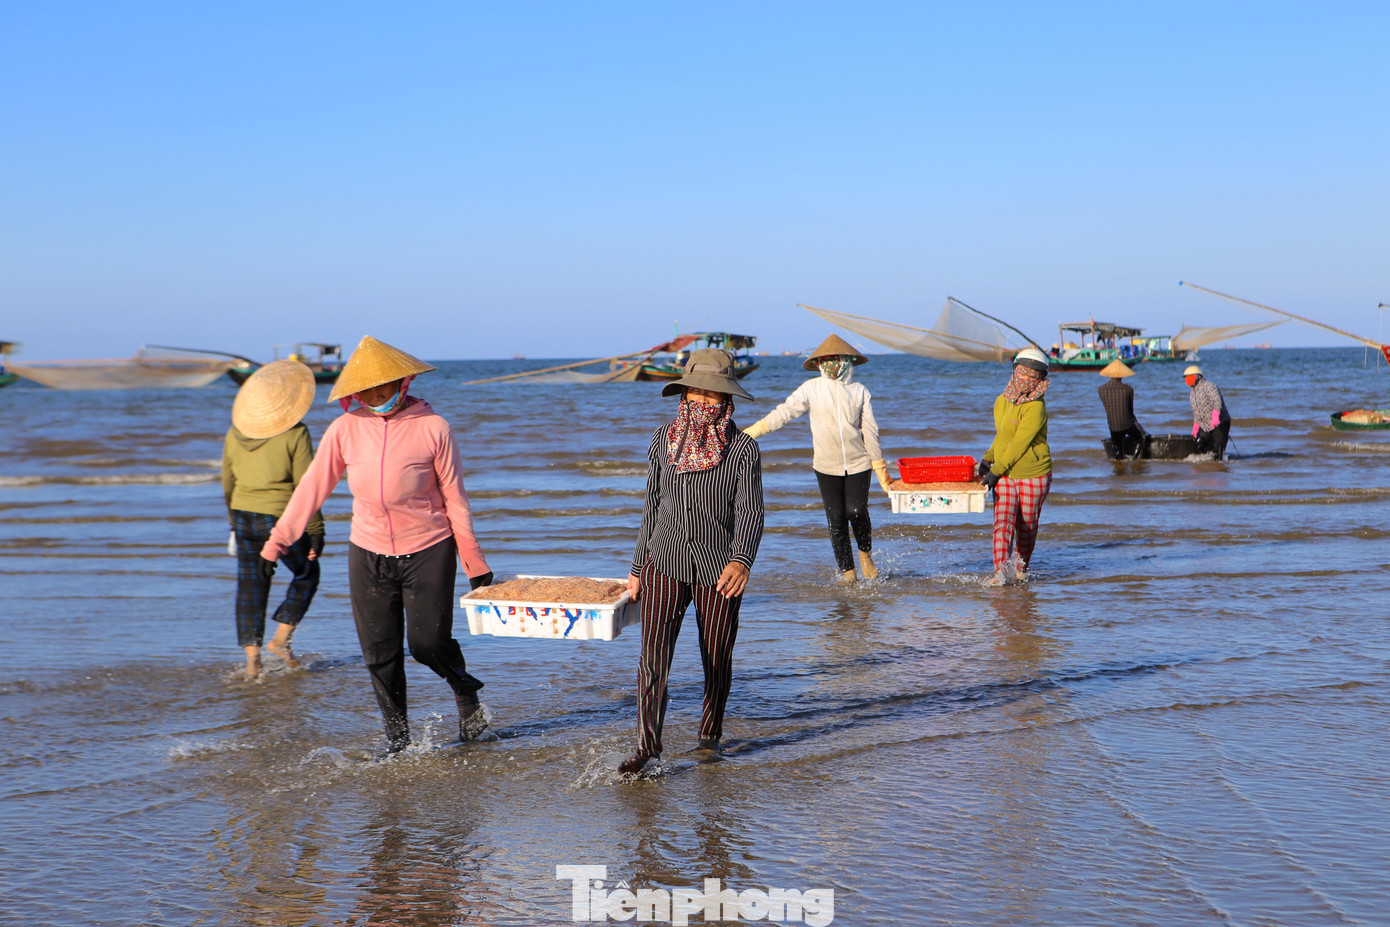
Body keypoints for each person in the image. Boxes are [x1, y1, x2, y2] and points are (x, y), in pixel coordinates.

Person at [260, 336, 495, 753]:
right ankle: (398, 741)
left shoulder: (434, 428)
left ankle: (465, 689)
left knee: (427, 645)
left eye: (381, 388)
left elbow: (456, 499)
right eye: (364, 390)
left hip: (428, 547)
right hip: (367, 551)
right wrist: (276, 543)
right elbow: (312, 488)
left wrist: (474, 563)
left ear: (402, 383)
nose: (373, 396)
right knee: (379, 653)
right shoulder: (344, 429)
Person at [621, 347, 764, 775]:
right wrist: (635, 568)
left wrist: (741, 560)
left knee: (716, 655)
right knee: (653, 657)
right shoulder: (661, 441)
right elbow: (652, 506)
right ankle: (648, 747)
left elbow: (751, 511)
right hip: (663, 561)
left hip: (719, 569)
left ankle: (709, 735)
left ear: (727, 400)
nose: (703, 402)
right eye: (696, 393)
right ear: (684, 395)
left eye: (713, 395)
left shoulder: (742, 450)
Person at [741, 334, 889, 583]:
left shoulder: (860, 391)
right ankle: (848, 573)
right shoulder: (811, 388)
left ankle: (865, 556)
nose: (832, 363)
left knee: (856, 511)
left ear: (847, 361)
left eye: (837, 359)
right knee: (836, 519)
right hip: (825, 465)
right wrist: (752, 432)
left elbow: (870, 431)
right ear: (819, 363)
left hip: (858, 463)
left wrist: (880, 468)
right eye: (826, 359)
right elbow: (784, 412)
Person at [223, 360, 324, 678]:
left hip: (242, 515)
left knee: (251, 584)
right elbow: (307, 485)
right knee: (307, 573)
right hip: (280, 518)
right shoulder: (295, 432)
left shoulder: (234, 432)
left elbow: (228, 480)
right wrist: (317, 529)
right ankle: (280, 640)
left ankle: (252, 661)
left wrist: (232, 520)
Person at [978, 347, 1053, 586]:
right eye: (1022, 372)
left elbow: (1020, 444)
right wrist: (988, 458)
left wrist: (995, 471)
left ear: (1041, 378)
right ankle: (1000, 573)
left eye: (1033, 375)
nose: (1026, 378)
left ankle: (1021, 569)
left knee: (1027, 526)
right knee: (1002, 523)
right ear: (1014, 371)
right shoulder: (1002, 401)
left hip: (1034, 475)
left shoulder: (1036, 407)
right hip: (1005, 473)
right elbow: (1002, 436)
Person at [1097, 359, 1146, 459]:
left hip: (1113, 426)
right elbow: (1130, 411)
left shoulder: (1101, 389)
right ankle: (1135, 458)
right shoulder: (1128, 389)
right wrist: (1138, 426)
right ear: (1122, 374)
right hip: (1127, 424)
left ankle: (1119, 467)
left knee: (1117, 447)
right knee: (1140, 439)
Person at [1184, 365, 1232, 460]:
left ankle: (1218, 467)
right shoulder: (1192, 394)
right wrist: (1196, 426)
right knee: (1199, 445)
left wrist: (1215, 415)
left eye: (1190, 377)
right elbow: (1196, 412)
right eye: (1186, 378)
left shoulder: (1209, 386)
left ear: (1197, 376)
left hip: (1220, 422)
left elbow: (1217, 401)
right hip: (1204, 424)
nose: (1187, 380)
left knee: (1217, 449)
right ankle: (1206, 467)